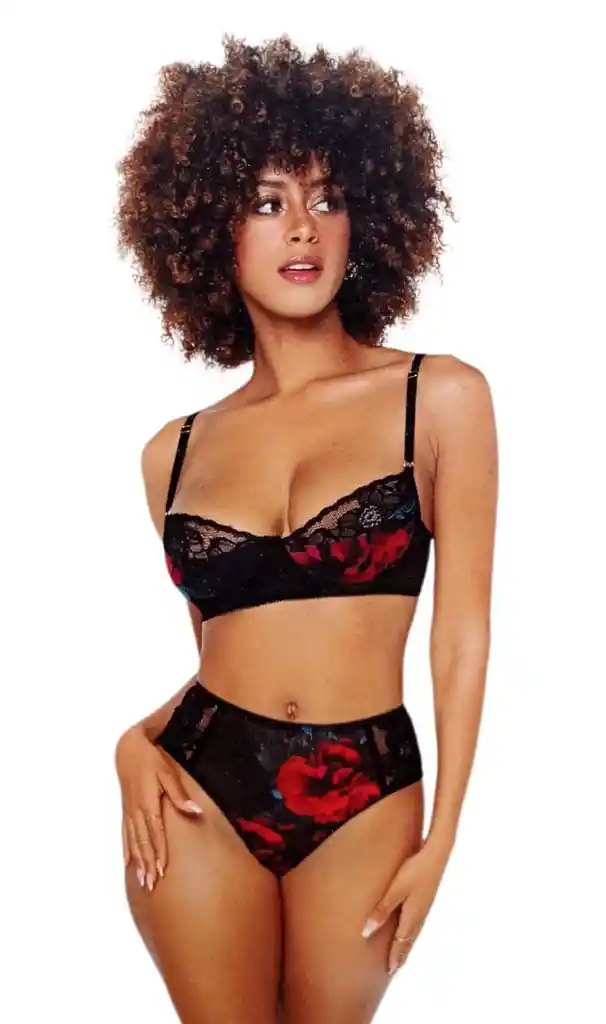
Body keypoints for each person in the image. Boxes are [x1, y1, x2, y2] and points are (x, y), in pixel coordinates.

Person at [113, 33, 498, 1024]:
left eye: (327, 198)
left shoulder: (438, 398)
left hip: (368, 790)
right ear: (208, 227)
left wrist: (445, 837)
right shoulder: (173, 453)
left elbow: (460, 636)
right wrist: (134, 740)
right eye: (267, 201)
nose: (303, 228)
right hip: (197, 788)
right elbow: (224, 658)